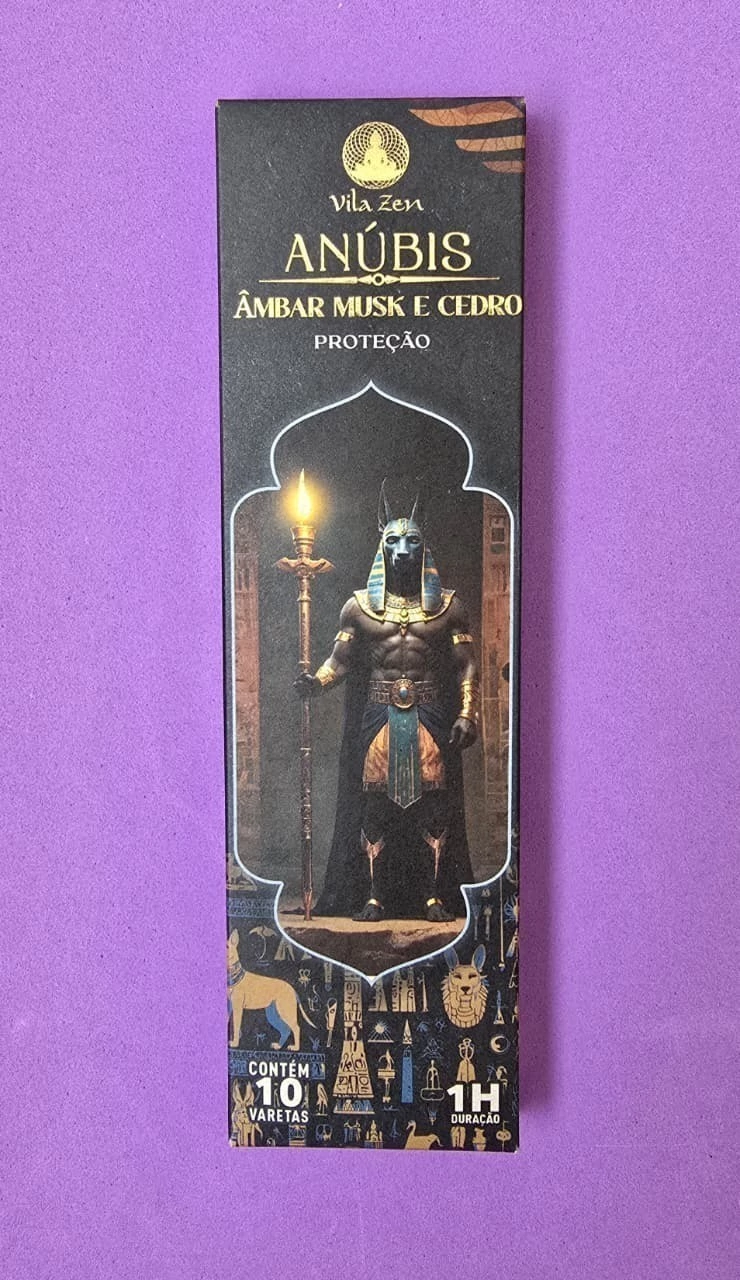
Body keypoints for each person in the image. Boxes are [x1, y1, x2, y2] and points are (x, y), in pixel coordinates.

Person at [295, 484, 479, 922]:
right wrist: (316, 683)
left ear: (423, 548)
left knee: (433, 803)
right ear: (382, 548)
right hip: (378, 714)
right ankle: (374, 895)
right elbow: (339, 662)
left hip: (430, 715)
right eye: (393, 541)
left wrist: (467, 713)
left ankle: (432, 895)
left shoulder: (448, 608)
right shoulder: (358, 608)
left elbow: (467, 666)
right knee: (373, 803)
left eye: (411, 541)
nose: (402, 549)